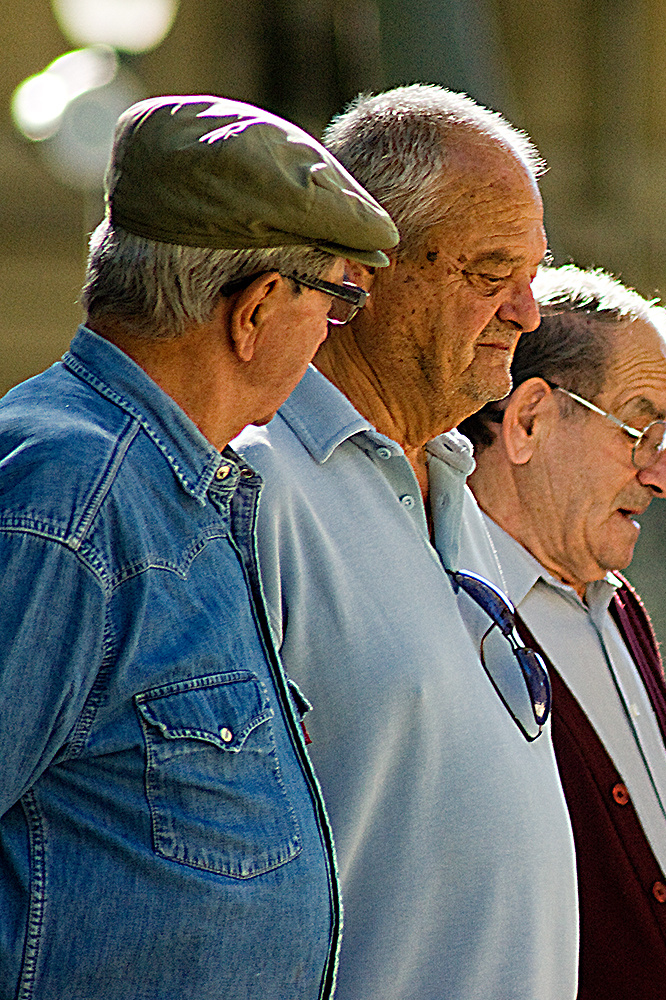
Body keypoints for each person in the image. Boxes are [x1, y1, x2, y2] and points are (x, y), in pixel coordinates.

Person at [0, 95, 398, 999]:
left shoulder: (163, 480)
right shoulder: (72, 493)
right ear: (257, 309)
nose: (330, 337)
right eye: (335, 300)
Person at [232, 85, 574, 999]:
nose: (527, 313)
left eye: (534, 273)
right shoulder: (253, 485)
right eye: (490, 273)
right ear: (363, 270)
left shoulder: (458, 483)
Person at [459, 265, 666, 1000]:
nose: (662, 476)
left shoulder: (616, 606)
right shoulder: (450, 616)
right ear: (527, 421)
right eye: (638, 430)